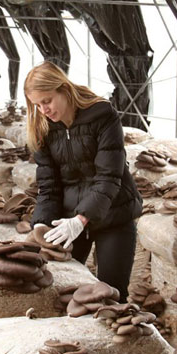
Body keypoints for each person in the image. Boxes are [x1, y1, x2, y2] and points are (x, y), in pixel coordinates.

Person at [25, 61, 143, 302]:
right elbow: (49, 186)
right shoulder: (42, 128)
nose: (44, 109)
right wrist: (40, 223)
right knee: (61, 288)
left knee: (111, 292)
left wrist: (82, 219)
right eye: (37, 105)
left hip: (113, 213)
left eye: (47, 101)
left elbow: (110, 176)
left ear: (63, 89)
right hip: (67, 217)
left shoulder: (102, 115)